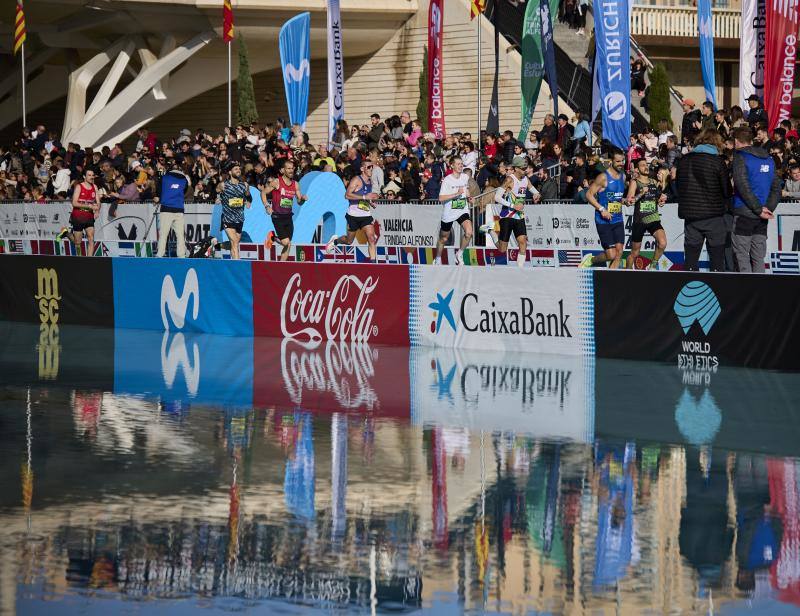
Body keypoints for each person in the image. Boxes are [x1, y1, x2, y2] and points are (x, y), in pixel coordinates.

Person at [675, 129, 730, 272]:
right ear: (716, 142)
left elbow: (678, 187)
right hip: (714, 216)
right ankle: (717, 292)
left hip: (691, 216)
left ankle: (689, 290)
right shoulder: (717, 161)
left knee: (691, 262)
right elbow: (727, 191)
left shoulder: (684, 160)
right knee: (717, 262)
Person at [730, 126, 781, 273]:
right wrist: (767, 209)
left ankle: (745, 293)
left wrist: (759, 209)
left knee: (741, 256)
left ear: (736, 141)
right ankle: (760, 293)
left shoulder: (740, 157)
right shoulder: (769, 159)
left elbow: (742, 186)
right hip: (761, 217)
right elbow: (776, 188)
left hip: (745, 215)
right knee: (758, 257)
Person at [325, 160, 380, 261]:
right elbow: (347, 195)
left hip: (366, 215)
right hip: (353, 216)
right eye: (368, 167)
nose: (371, 169)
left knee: (371, 239)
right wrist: (364, 197)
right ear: (362, 169)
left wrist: (370, 202)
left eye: (372, 166)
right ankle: (335, 241)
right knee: (349, 241)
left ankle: (373, 264)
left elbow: (365, 197)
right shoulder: (356, 180)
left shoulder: (370, 182)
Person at [580, 149, 627, 269]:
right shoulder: (603, 177)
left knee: (619, 252)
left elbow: (617, 197)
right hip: (603, 220)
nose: (621, 163)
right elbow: (589, 195)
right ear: (611, 161)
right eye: (618, 161)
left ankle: (611, 281)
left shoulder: (623, 177)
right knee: (611, 255)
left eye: (622, 161)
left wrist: (625, 200)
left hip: (617, 219)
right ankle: (591, 260)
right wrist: (602, 209)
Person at [495, 155, 540, 267]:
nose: (525, 170)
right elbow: (497, 197)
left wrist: (536, 194)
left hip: (519, 216)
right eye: (523, 168)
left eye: (526, 168)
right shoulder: (509, 179)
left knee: (523, 241)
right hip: (507, 215)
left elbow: (531, 188)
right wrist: (512, 205)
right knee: (502, 249)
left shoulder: (525, 179)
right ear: (516, 168)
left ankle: (520, 269)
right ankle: (491, 232)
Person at [625, 159, 667, 270]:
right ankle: (626, 273)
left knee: (662, 243)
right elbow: (629, 202)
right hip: (640, 221)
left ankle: (652, 266)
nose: (646, 167)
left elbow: (657, 198)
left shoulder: (653, 182)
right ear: (638, 169)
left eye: (646, 165)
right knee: (634, 253)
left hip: (653, 218)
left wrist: (661, 200)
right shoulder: (635, 182)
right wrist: (641, 193)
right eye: (643, 165)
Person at [262, 159, 308, 261]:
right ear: (283, 170)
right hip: (277, 217)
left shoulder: (295, 184)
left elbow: (299, 201)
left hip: (288, 217)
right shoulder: (277, 182)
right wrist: (267, 206)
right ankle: (273, 237)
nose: (291, 170)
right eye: (288, 168)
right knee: (286, 242)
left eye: (292, 168)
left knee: (288, 244)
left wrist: (303, 199)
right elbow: (263, 193)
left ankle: (281, 266)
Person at [434, 156, 473, 265]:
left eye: (461, 164)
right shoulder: (447, 180)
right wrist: (456, 194)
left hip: (462, 210)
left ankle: (459, 254)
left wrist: (469, 197)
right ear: (452, 165)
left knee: (469, 232)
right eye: (458, 164)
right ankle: (437, 258)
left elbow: (467, 190)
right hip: (449, 212)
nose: (461, 166)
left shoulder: (465, 177)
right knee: (444, 238)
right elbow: (441, 198)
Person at [58, 169, 101, 256]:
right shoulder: (79, 187)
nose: (92, 177)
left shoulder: (95, 187)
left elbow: (98, 202)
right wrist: (88, 206)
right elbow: (74, 203)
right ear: (84, 177)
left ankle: (89, 261)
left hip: (89, 216)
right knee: (77, 242)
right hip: (78, 216)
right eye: (89, 175)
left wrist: (97, 211)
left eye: (92, 175)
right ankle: (66, 233)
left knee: (91, 238)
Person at [155, 160, 191, 258]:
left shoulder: (164, 177)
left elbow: (159, 190)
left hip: (166, 208)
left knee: (163, 234)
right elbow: (185, 191)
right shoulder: (184, 179)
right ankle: (181, 255)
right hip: (179, 209)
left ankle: (160, 254)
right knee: (180, 236)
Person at [219, 161, 252, 260]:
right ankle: (237, 266)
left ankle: (216, 246)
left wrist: (248, 201)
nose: (238, 170)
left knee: (234, 244)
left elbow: (249, 197)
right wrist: (217, 198)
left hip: (239, 219)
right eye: (235, 169)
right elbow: (215, 194)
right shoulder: (223, 185)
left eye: (239, 169)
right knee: (234, 243)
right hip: (227, 219)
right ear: (230, 172)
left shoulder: (244, 185)